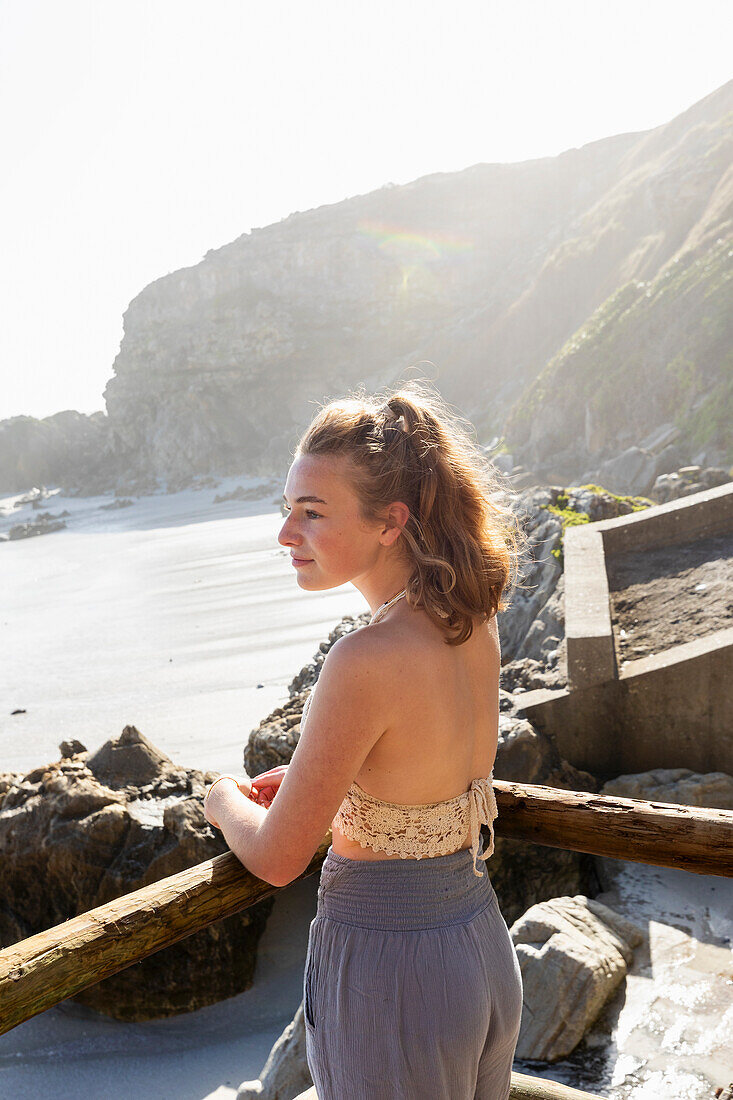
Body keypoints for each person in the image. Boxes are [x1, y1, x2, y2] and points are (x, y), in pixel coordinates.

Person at [203, 379, 526, 1099]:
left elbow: (279, 857)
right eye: (287, 510)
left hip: (391, 975)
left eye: (311, 513)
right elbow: (423, 774)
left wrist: (222, 800)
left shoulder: (364, 660)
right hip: (476, 946)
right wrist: (334, 781)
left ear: (390, 522)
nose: (286, 534)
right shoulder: (468, 617)